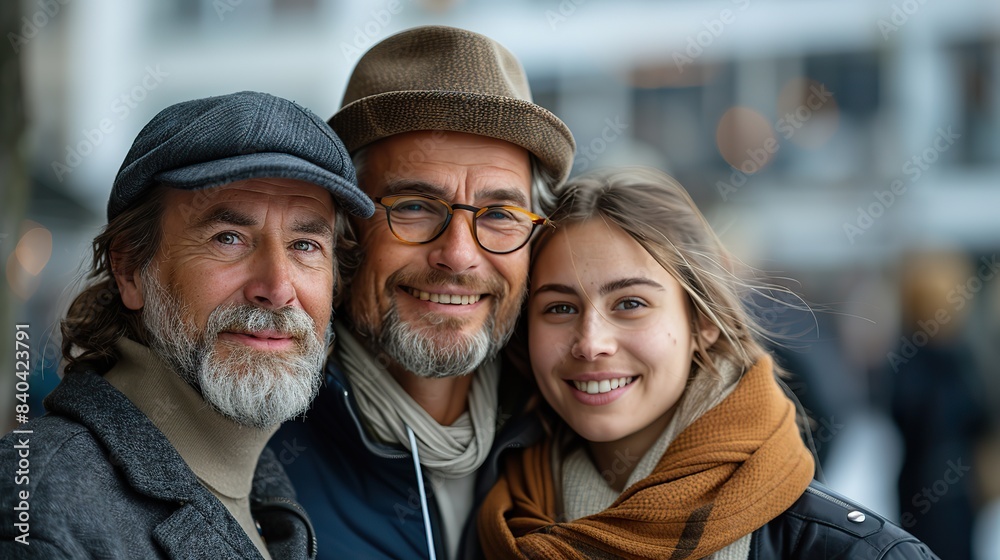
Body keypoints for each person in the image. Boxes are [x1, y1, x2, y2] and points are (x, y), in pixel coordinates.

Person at [478, 168, 939, 559]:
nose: (591, 343)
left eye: (630, 303)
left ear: (703, 322)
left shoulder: (856, 551)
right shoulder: (484, 523)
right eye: (560, 308)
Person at [0, 91, 374, 559]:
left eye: (304, 245)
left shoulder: (264, 489)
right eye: (229, 238)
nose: (277, 287)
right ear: (130, 271)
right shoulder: (41, 509)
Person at [270, 25, 575, 560]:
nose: (458, 255)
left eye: (500, 214)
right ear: (345, 227)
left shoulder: (578, 419)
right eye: (413, 206)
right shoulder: (258, 446)